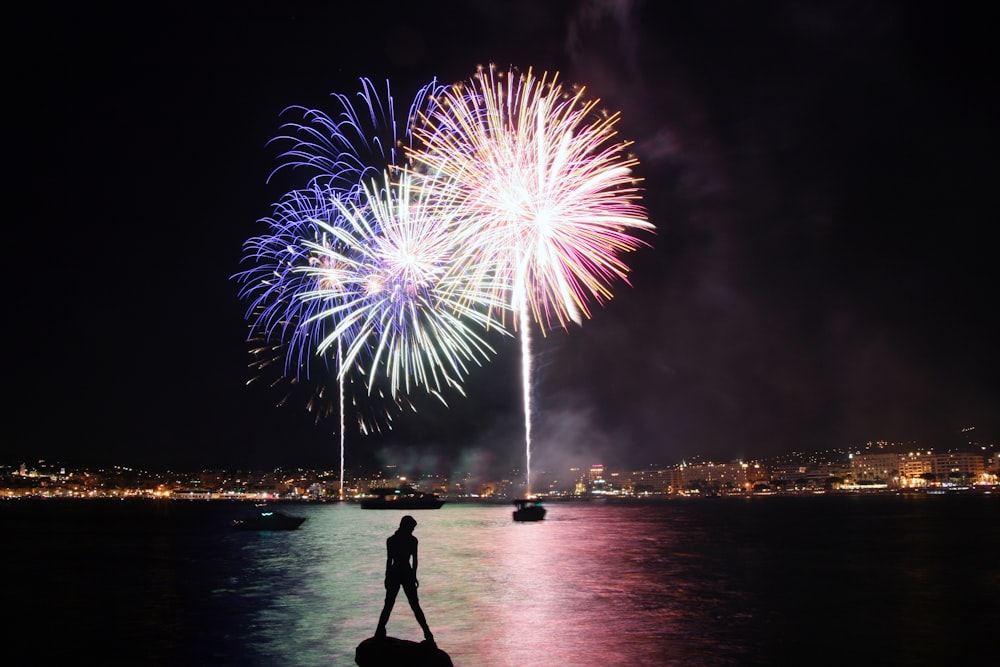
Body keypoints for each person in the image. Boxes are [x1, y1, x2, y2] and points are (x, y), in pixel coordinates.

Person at [374, 515, 434, 644]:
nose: (412, 530)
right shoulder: (413, 540)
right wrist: (413, 575)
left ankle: (379, 630)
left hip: (395, 572)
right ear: (407, 527)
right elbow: (415, 561)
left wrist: (387, 576)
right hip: (406, 572)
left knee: (389, 604)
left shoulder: (391, 540)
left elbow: (389, 560)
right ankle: (428, 634)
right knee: (415, 605)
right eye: (412, 528)